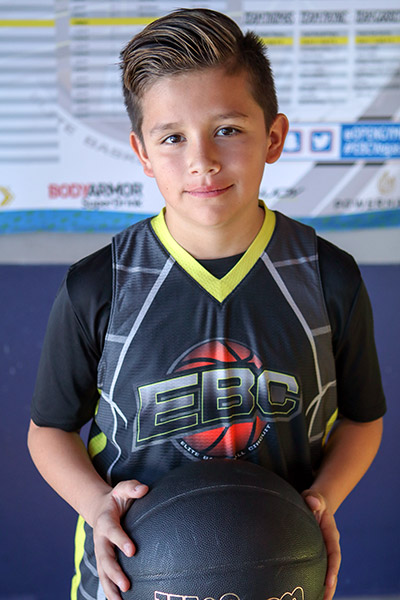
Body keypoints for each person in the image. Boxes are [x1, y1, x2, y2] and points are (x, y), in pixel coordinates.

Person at [27, 8, 386, 600]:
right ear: (143, 153)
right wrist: (96, 505)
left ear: (273, 137)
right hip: (128, 580)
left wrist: (323, 498)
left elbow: (363, 419)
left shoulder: (326, 278)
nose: (203, 160)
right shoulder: (100, 286)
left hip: (280, 576)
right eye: (172, 137)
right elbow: (49, 431)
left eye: (228, 129)